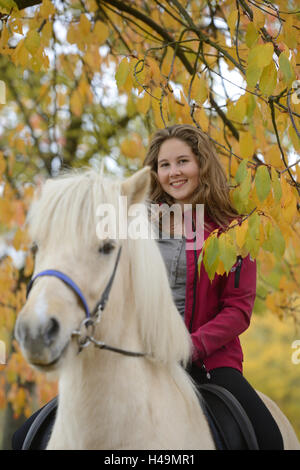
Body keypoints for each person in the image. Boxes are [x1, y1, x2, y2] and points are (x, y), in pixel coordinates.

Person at [143, 124, 284, 450]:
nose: (173, 172)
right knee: (30, 434)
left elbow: (237, 311)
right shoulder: (140, 227)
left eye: (183, 162)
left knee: (268, 439)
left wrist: (188, 347)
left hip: (209, 363)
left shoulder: (234, 230)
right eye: (164, 165)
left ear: (201, 165)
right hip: (141, 357)